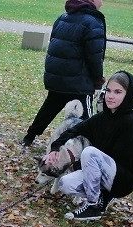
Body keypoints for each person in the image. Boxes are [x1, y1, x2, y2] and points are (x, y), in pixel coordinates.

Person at [43, 70, 133, 222]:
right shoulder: (102, 117)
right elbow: (74, 130)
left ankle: (93, 206)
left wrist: (83, 164)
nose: (110, 96)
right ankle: (101, 197)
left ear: (128, 94)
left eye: (118, 92)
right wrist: (55, 148)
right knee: (65, 184)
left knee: (89, 152)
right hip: (103, 171)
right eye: (108, 91)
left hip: (124, 179)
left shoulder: (131, 121)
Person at [21, 0, 106, 147]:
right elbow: (95, 56)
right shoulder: (93, 22)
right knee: (86, 118)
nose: (102, 3)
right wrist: (98, 79)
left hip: (58, 77)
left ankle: (29, 137)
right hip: (79, 82)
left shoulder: (63, 17)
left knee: (49, 108)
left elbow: (54, 45)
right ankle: (88, 147)